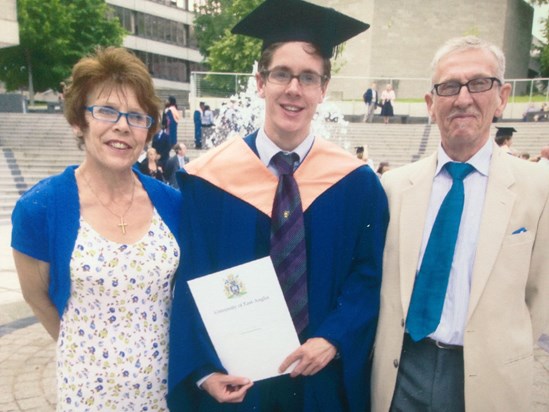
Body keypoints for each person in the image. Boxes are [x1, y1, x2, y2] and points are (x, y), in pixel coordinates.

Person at [168, 0, 389, 411]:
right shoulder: (208, 182)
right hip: (239, 386)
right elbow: (191, 280)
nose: (293, 89)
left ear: (323, 89)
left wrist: (335, 338)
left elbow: (368, 274)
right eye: (281, 74)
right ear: (260, 81)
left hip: (321, 383)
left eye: (308, 77)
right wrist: (203, 370)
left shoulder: (357, 185)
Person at [371, 36, 549, 412]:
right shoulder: (394, 187)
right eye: (448, 86)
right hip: (403, 373)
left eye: (479, 83)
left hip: (488, 380)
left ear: (502, 97)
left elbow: (540, 297)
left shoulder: (538, 189)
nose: (463, 98)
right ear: (430, 105)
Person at [11, 47, 183, 410]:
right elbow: (37, 297)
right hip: (88, 395)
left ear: (147, 131)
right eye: (106, 111)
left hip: (165, 394)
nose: (122, 125)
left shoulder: (172, 203)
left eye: (137, 116)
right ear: (79, 121)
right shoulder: (40, 208)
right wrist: (85, 350)